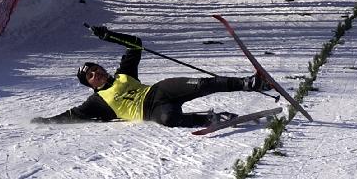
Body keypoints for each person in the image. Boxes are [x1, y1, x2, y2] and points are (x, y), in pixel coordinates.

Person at [31, 27, 272, 128]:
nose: (97, 74)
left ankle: (249, 83)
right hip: (149, 112)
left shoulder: (123, 74)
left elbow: (134, 45)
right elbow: (73, 115)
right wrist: (46, 121)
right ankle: (212, 118)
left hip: (159, 91)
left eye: (96, 68)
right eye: (91, 76)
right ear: (89, 85)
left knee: (201, 85)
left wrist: (108, 35)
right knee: (168, 119)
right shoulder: (97, 102)